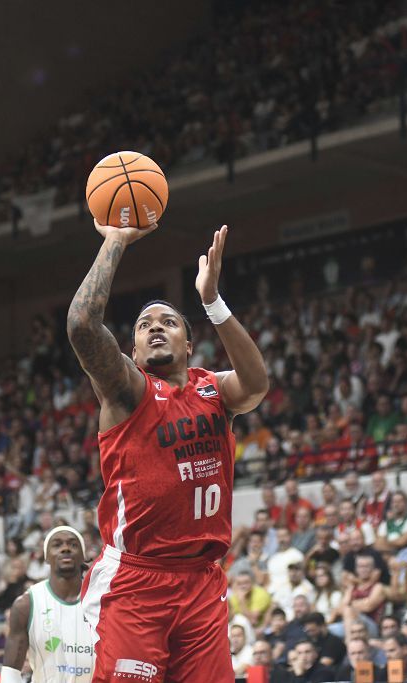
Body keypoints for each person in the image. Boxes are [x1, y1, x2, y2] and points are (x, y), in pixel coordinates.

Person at [67, 223, 268, 682]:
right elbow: (81, 325)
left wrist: (212, 302)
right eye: (144, 325)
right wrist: (115, 240)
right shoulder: (128, 391)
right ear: (132, 350)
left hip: (201, 580)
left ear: (189, 343)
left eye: (168, 322)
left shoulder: (212, 389)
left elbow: (257, 385)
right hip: (137, 581)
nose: (156, 327)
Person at [4, 526, 94, 682]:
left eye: (73, 545)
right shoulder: (26, 604)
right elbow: (11, 672)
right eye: (57, 545)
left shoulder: (101, 600)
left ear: (83, 555)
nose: (65, 548)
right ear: (46, 556)